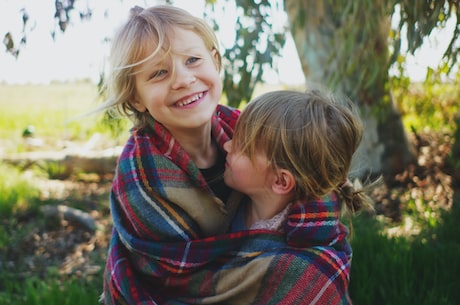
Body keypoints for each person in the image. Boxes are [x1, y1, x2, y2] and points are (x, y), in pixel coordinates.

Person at [102, 4, 361, 305]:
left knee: (309, 277)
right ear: (136, 97)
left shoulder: (249, 132)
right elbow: (175, 276)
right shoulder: (142, 175)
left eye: (193, 60)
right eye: (159, 73)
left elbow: (312, 179)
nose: (183, 80)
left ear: (215, 61)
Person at [223, 89, 375, 234]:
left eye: (241, 147)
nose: (226, 145)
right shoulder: (237, 204)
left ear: (281, 181)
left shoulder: (294, 254)